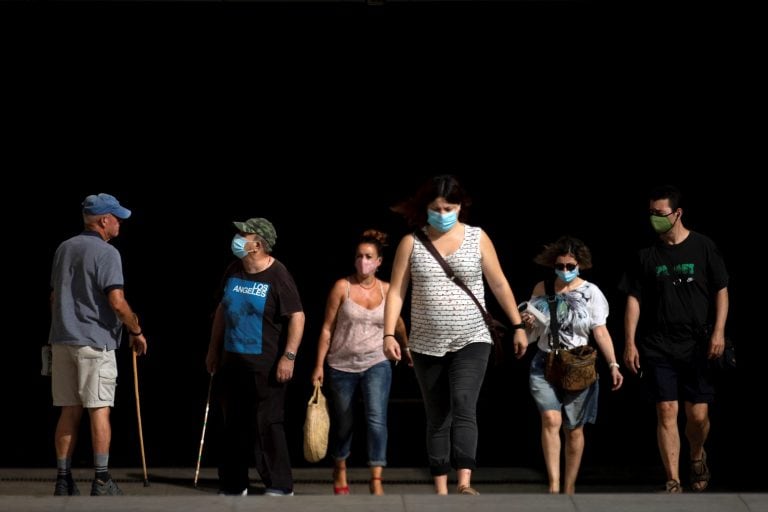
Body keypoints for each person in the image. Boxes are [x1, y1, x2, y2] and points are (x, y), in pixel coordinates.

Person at [383, 174, 528, 495]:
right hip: (425, 343)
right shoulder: (412, 242)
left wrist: (518, 326)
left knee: (464, 403)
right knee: (437, 415)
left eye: (450, 207)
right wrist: (388, 334)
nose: (444, 213)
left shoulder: (477, 238)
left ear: (461, 207)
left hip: (471, 338)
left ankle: (464, 482)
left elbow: (499, 283)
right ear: (426, 209)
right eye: (437, 208)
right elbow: (396, 292)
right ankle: (440, 488)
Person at [621, 185, 729, 493]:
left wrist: (719, 331)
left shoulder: (703, 246)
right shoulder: (645, 256)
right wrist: (629, 341)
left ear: (677, 213)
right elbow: (633, 299)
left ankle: (697, 453)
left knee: (697, 416)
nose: (654, 218)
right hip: (658, 343)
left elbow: (721, 289)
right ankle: (673, 480)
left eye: (660, 213)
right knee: (666, 410)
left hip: (697, 343)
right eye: (651, 213)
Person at [48, 193, 148, 497]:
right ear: (103, 220)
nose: (119, 223)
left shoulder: (64, 248)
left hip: (62, 340)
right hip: (95, 343)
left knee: (68, 409)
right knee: (99, 409)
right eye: (116, 218)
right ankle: (102, 479)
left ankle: (63, 480)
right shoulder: (107, 253)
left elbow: (53, 298)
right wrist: (136, 329)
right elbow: (117, 302)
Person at [206, 217, 305, 497]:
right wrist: (213, 350)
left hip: (266, 365)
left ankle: (279, 485)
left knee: (267, 425)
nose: (237, 238)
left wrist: (289, 356)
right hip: (232, 362)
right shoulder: (234, 270)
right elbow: (222, 311)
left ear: (258, 244)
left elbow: (297, 316)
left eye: (243, 235)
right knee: (232, 426)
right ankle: (234, 484)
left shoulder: (278, 274)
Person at [521, 236, 623, 495]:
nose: (564, 271)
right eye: (560, 266)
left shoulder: (591, 293)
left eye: (570, 266)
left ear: (580, 265)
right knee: (550, 419)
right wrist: (528, 325)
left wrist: (613, 363)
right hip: (545, 360)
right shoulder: (542, 288)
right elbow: (531, 332)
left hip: (578, 363)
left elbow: (599, 331)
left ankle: (569, 486)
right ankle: (554, 485)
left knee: (574, 429)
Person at [312, 229, 409, 496]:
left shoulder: (388, 290)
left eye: (368, 256)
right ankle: (340, 466)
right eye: (359, 256)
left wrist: (407, 345)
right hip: (341, 365)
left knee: (377, 419)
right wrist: (319, 365)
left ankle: (376, 477)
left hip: (376, 362)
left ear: (379, 262)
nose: (363, 261)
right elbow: (326, 329)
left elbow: (397, 322)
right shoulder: (342, 287)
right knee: (343, 422)